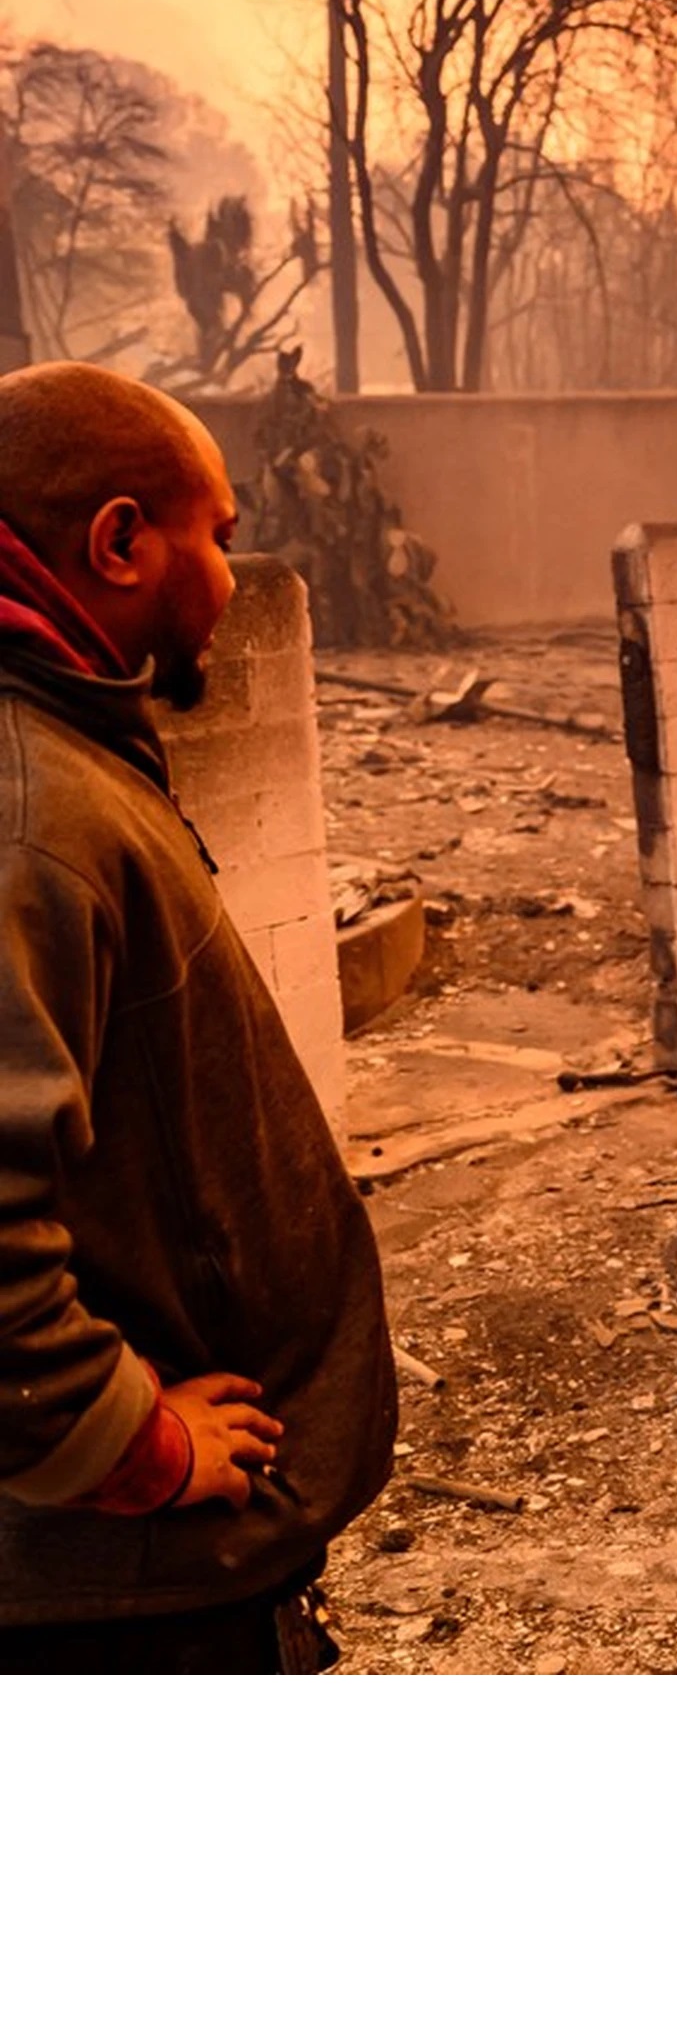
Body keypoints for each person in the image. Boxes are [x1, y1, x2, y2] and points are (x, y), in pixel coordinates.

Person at [0, 361, 395, 1673]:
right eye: (215, 539)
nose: (234, 578)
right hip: (119, 1598)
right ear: (119, 541)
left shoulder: (63, 755)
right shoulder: (26, 818)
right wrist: (132, 1447)